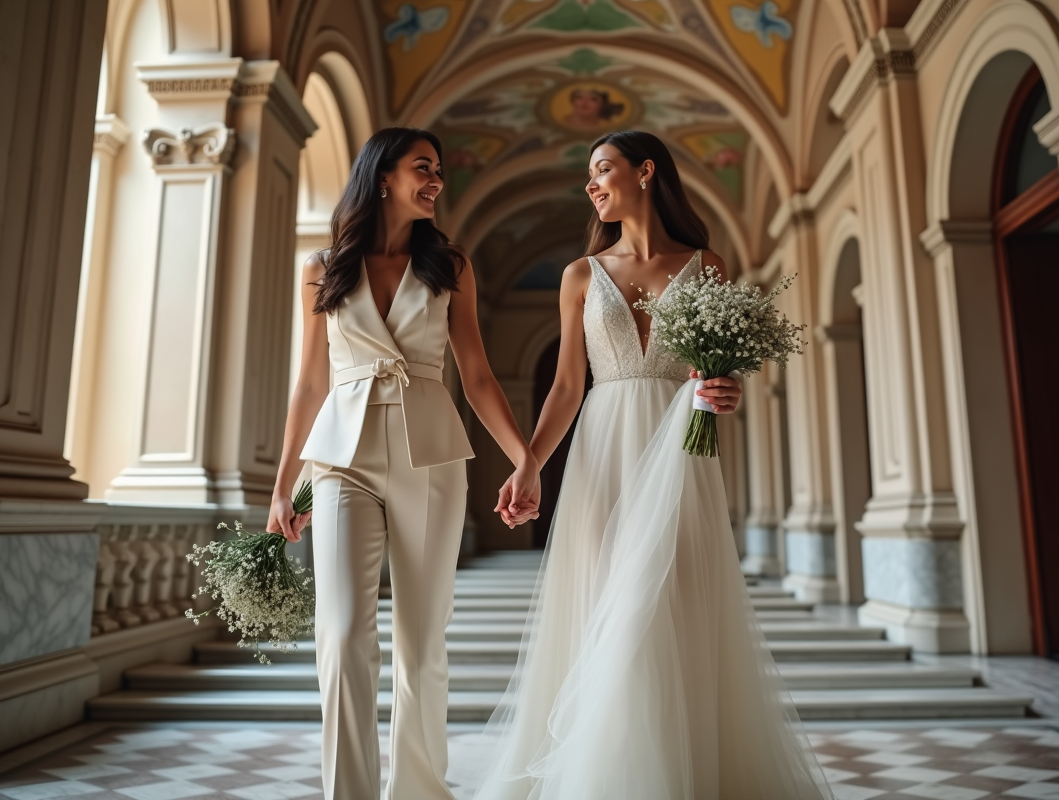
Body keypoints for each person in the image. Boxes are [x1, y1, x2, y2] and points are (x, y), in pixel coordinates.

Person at [477, 131, 832, 799]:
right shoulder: (580, 275)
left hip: (680, 451)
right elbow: (566, 387)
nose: (591, 184)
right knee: (604, 600)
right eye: (589, 174)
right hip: (602, 448)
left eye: (602, 169)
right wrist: (528, 465)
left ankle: (678, 770)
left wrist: (724, 389)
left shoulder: (706, 265)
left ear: (645, 172)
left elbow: (715, 371)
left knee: (673, 597)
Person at [266, 127, 540, 800]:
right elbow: (310, 381)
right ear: (382, 176)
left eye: (439, 168)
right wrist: (283, 485)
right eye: (423, 167)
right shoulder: (323, 266)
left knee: (421, 639)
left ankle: (418, 790)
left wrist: (525, 461)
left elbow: (477, 375)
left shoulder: (450, 266)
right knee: (341, 635)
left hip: (431, 460)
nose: (436, 179)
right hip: (341, 463)